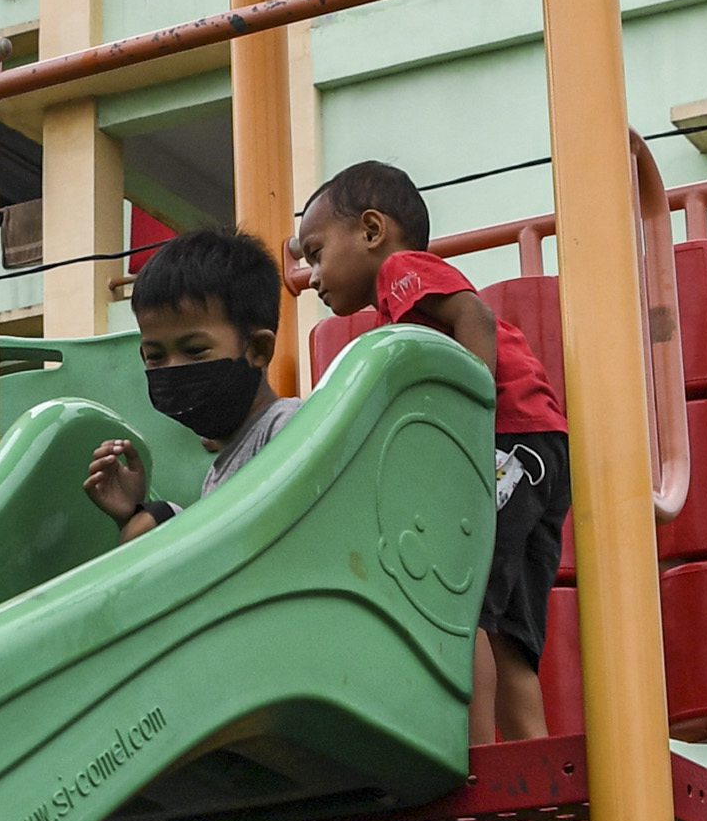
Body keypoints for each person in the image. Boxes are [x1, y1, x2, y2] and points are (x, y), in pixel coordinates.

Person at [289, 162, 567, 743]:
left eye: (316, 253)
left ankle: (475, 752)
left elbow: (475, 316)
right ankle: (529, 750)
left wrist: (472, 411)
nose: (311, 276)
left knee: (460, 600)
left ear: (370, 230)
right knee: (511, 633)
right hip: (538, 452)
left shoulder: (400, 271)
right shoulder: (401, 306)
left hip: (506, 441)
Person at [83, 227, 294, 541]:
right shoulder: (221, 468)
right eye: (155, 357)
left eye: (194, 350)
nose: (173, 370)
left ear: (258, 350)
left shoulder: (287, 429)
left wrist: (161, 518)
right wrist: (135, 513)